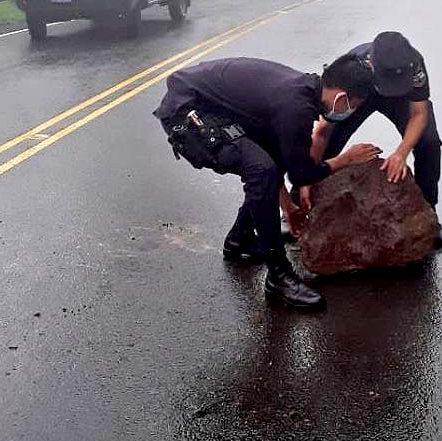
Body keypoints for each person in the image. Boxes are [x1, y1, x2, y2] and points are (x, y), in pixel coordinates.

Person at [153, 55, 381, 311]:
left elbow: (281, 157)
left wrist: (288, 206)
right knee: (260, 171)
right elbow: (301, 174)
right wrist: (346, 159)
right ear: (342, 97)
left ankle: (239, 240)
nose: (352, 112)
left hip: (210, 104)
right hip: (187, 111)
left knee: (267, 162)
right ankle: (278, 276)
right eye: (355, 105)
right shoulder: (296, 108)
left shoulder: (302, 91)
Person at [299, 32, 442, 248]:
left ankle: (426, 214)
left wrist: (401, 153)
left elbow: (419, 114)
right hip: (362, 94)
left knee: (429, 143)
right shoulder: (353, 69)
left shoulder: (414, 65)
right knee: (329, 143)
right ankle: (299, 206)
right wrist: (306, 177)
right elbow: (323, 129)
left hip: (401, 102)